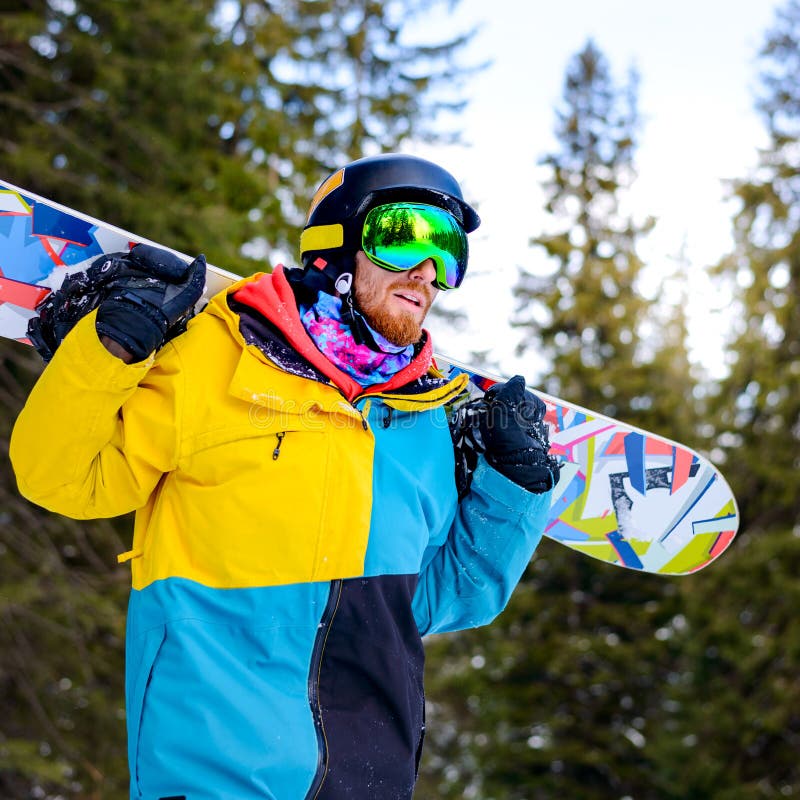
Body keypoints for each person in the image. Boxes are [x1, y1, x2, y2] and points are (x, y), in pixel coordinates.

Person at [10, 153, 560, 800]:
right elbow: (62, 479)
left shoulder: (427, 423)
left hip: (369, 781)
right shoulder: (213, 355)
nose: (428, 270)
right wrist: (110, 350)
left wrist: (515, 491)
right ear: (334, 246)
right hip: (212, 775)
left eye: (449, 250)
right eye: (403, 235)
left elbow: (444, 601)